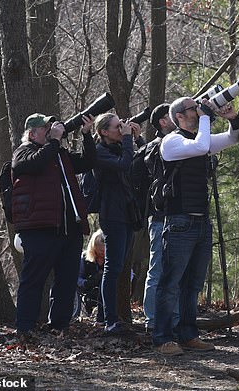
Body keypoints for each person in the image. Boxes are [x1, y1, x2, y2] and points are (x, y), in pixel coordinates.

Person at [152, 97, 239, 356]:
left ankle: (188, 335)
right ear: (179, 116)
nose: (199, 111)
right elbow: (202, 145)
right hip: (179, 222)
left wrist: (232, 117)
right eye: (193, 109)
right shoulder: (172, 141)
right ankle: (162, 338)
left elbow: (232, 138)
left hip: (201, 222)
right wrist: (206, 117)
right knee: (170, 284)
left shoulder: (196, 141)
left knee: (192, 285)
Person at [12, 113, 96, 335]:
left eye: (52, 128)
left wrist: (86, 135)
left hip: (69, 228)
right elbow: (34, 164)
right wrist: (55, 141)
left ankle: (59, 325)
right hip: (40, 228)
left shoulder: (59, 154)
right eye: (46, 129)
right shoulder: (24, 152)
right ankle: (24, 328)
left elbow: (88, 162)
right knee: (33, 280)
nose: (51, 131)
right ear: (32, 133)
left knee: (67, 281)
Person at [93, 113, 144, 334]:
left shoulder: (119, 148)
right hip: (112, 215)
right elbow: (124, 165)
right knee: (112, 268)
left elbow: (140, 165)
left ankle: (105, 316)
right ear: (104, 132)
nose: (120, 129)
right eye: (116, 127)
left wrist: (138, 139)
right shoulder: (100, 152)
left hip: (127, 214)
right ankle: (109, 321)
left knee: (119, 266)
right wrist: (127, 140)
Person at [140, 103, 178, 332]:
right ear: (163, 122)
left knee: (176, 271)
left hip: (179, 215)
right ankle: (152, 322)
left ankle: (174, 322)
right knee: (157, 269)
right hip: (160, 217)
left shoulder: (185, 142)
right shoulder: (155, 147)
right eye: (171, 116)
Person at [76, 229, 105, 322]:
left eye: (104, 247)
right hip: (89, 290)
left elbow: (131, 275)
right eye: (99, 247)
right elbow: (77, 277)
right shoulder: (84, 259)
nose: (102, 251)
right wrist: (86, 283)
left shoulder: (113, 259)